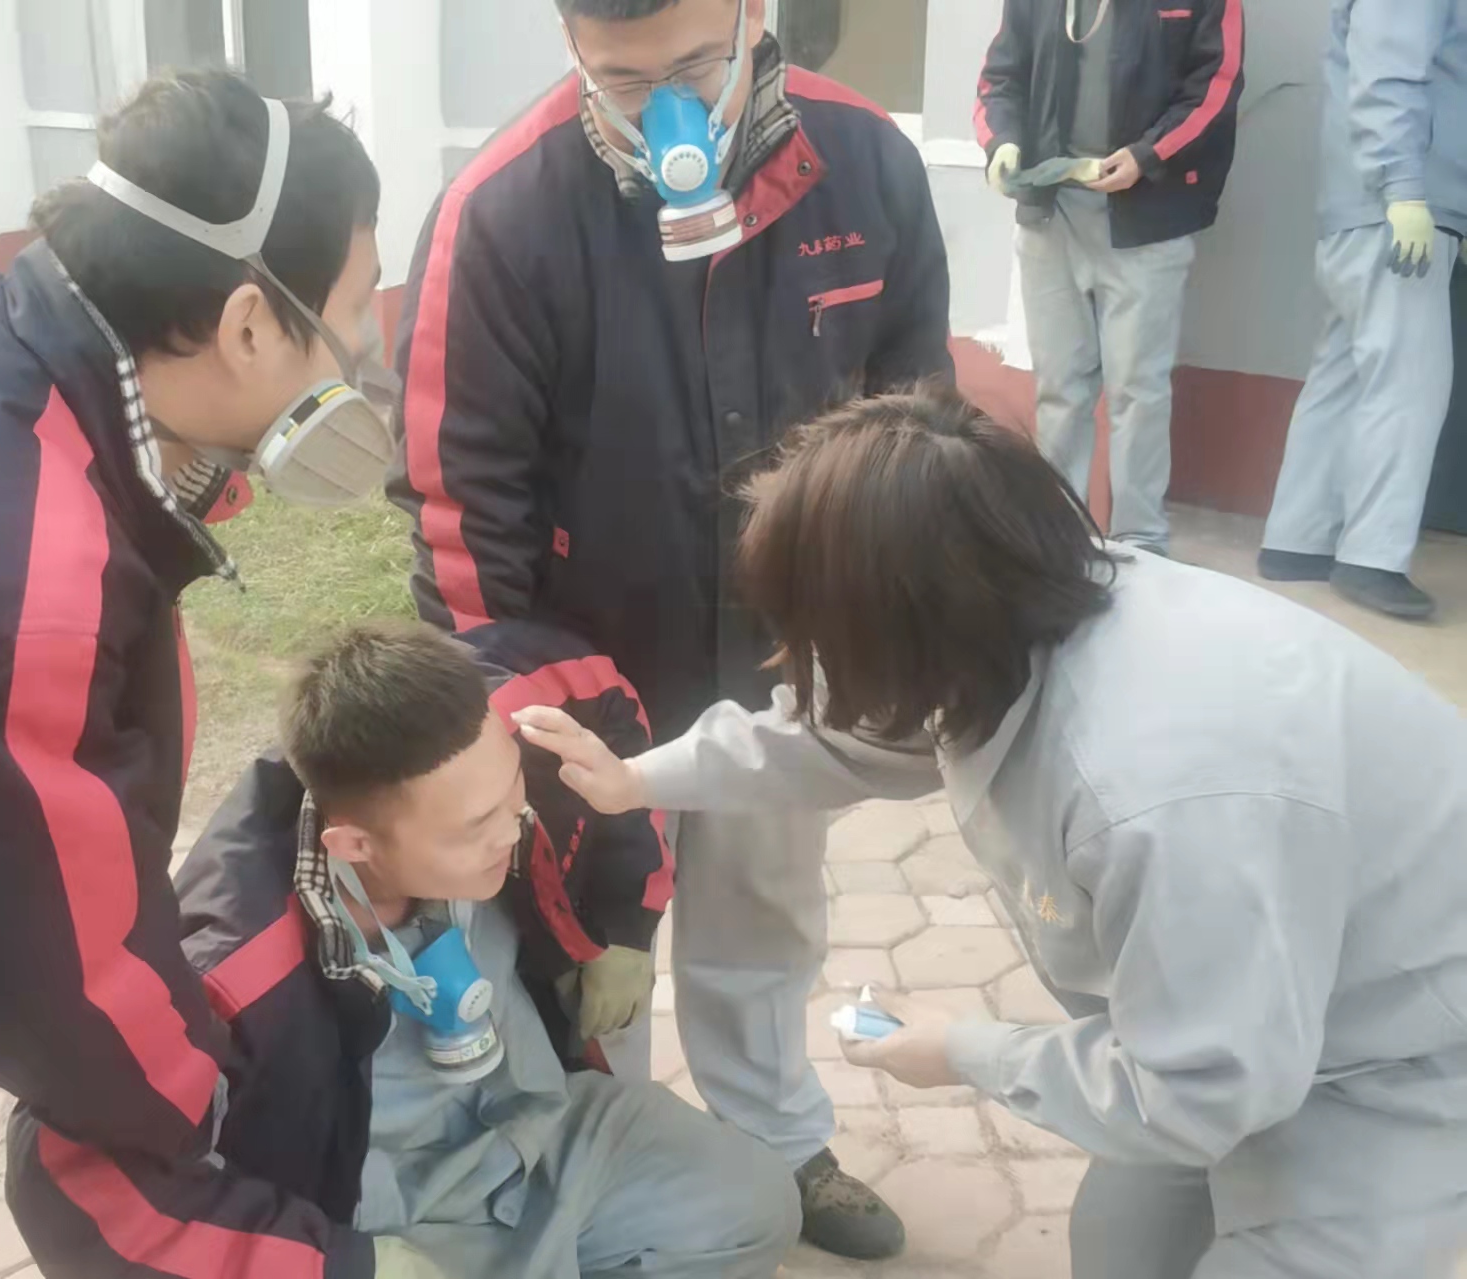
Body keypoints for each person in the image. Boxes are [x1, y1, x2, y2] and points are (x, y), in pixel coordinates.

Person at [517, 386, 1467, 1279]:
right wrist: (637, 779)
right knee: (1118, 1242)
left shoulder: (1157, 790)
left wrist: (968, 1051)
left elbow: (1198, 1093)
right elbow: (847, 738)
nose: (797, 663)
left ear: (907, 628)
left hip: (1401, 1059)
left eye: (816, 636)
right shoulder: (1016, 605)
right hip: (1242, 1022)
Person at [0, 70, 414, 1278]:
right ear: (249, 325)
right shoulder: (17, 562)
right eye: (354, 317)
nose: (365, 356)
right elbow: (50, 962)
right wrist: (205, 1112)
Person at [387, 0, 953, 1258]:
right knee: (594, 951)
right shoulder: (503, 211)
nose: (668, 116)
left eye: (698, 65)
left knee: (767, 914)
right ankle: (614, 1166)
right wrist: (524, 714)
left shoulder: (864, 162)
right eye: (623, 82)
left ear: (755, 16)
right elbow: (457, 503)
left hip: (786, 659)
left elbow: (917, 423)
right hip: (590, 683)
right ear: (570, 44)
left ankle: (776, 1135)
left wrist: (874, 632)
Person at [34, 622, 798, 1279]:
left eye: (512, 793)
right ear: (354, 845)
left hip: (540, 1135)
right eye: (475, 828)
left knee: (756, 1203)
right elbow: (71, 1171)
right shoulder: (227, 974)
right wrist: (343, 1263)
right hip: (386, 1217)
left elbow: (603, 693)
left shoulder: (483, 732)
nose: (513, 829)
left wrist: (626, 923)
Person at [978, 0, 1244, 556]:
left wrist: (1149, 154)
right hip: (1051, 212)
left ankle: (1141, 539)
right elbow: (1000, 77)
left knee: (1139, 391)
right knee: (1060, 389)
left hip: (1147, 219)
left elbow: (1215, 84)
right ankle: (1059, 535)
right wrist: (1002, 142)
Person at [1259, 0, 1467, 621]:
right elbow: (1387, 73)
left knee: (1344, 377)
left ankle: (1296, 541)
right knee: (1410, 382)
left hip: (1371, 209)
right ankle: (1372, 559)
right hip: (1400, 209)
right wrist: (1403, 188)